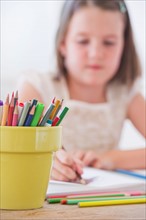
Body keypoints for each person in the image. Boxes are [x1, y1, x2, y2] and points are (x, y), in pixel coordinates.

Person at [18, 0, 146, 182]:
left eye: (109, 42)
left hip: (105, 202)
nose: (95, 53)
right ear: (63, 44)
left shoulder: (126, 94)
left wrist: (110, 158)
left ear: (124, 47)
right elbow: (17, 150)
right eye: (83, 41)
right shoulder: (37, 86)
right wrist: (49, 160)